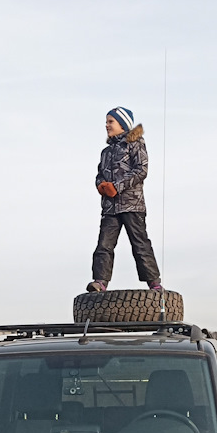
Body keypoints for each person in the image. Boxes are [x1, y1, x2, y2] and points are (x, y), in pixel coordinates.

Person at [87, 106, 162, 293]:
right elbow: (99, 174)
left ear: (122, 124)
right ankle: (100, 282)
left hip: (132, 204)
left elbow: (141, 170)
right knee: (104, 245)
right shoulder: (106, 152)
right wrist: (101, 186)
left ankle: (154, 283)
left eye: (110, 121)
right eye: (106, 122)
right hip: (110, 207)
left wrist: (117, 186)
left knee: (140, 243)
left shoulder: (136, 143)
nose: (106, 125)